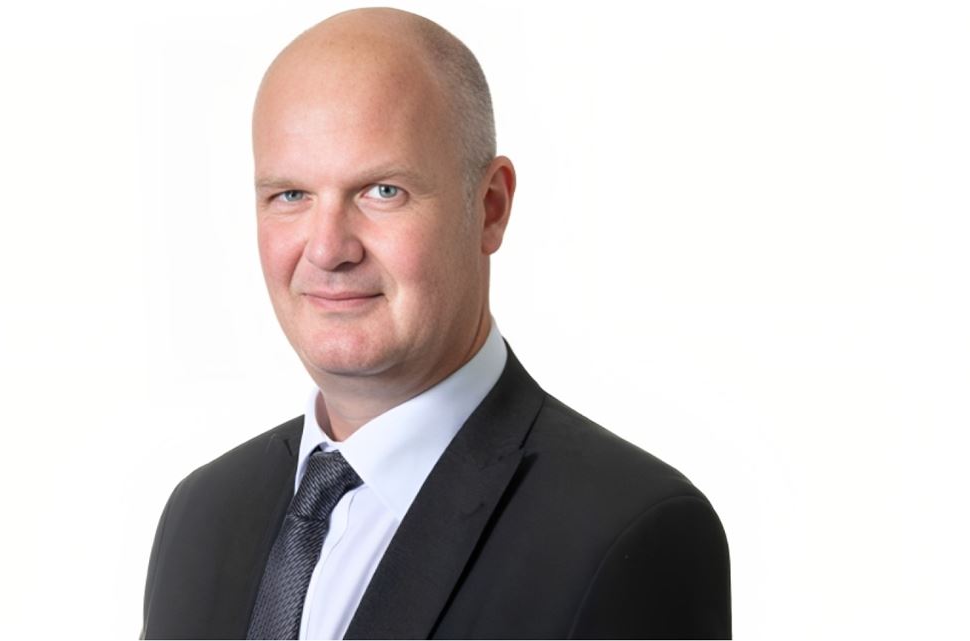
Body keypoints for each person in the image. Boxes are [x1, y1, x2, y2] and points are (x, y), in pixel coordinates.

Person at [141, 7, 731, 640]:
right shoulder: (201, 516)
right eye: (290, 195)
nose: (328, 248)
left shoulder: (627, 532)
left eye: (382, 191)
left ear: (490, 208)